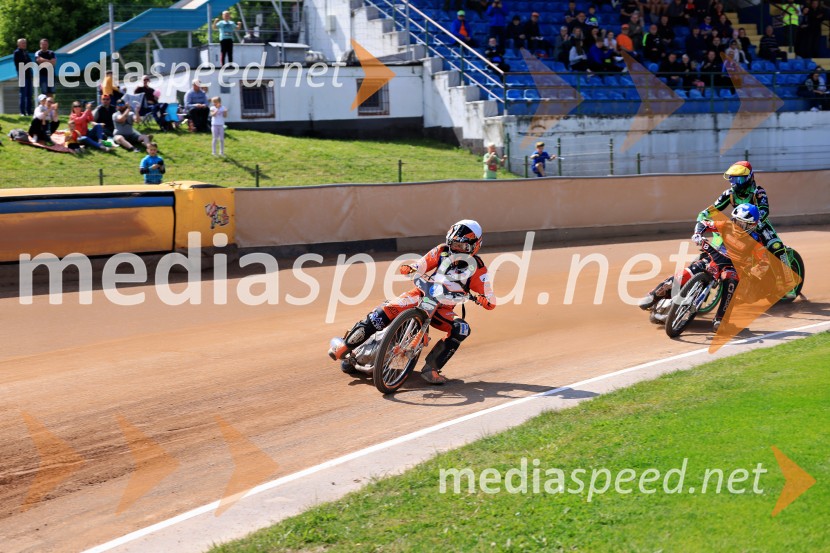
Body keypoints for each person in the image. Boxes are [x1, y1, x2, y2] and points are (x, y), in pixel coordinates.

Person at [328, 220, 496, 384]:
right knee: (384, 311)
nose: (456, 249)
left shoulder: (479, 268)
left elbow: (491, 299)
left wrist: (484, 300)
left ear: (475, 246)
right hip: (421, 295)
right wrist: (412, 268)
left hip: (443, 309)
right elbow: (421, 264)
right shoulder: (441, 251)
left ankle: (431, 368)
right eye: (453, 244)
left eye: (462, 246)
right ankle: (346, 346)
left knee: (462, 329)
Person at [639, 204, 766, 331]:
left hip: (732, 267)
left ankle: (720, 319)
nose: (736, 225)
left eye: (741, 224)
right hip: (714, 258)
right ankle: (654, 295)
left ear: (752, 225)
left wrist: (755, 271)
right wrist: (698, 234)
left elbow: (764, 261)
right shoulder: (726, 225)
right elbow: (704, 223)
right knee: (685, 273)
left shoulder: (756, 240)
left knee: (731, 282)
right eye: (736, 221)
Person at [699, 161, 796, 299]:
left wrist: (757, 220)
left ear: (749, 177)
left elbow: (764, 209)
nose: (734, 183)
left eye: (738, 179)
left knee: (776, 247)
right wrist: (703, 215)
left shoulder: (758, 192)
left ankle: (788, 283)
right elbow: (715, 208)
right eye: (732, 179)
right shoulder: (729, 193)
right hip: (738, 225)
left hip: (760, 225)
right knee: (718, 245)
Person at [13, 38, 34, 116]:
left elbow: (30, 62)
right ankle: (22, 112)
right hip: (22, 75)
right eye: (23, 43)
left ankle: (29, 111)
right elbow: (20, 63)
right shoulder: (17, 52)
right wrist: (27, 63)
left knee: (29, 94)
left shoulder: (26, 52)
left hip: (28, 75)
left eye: (25, 43)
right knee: (23, 94)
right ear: (18, 44)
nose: (24, 44)